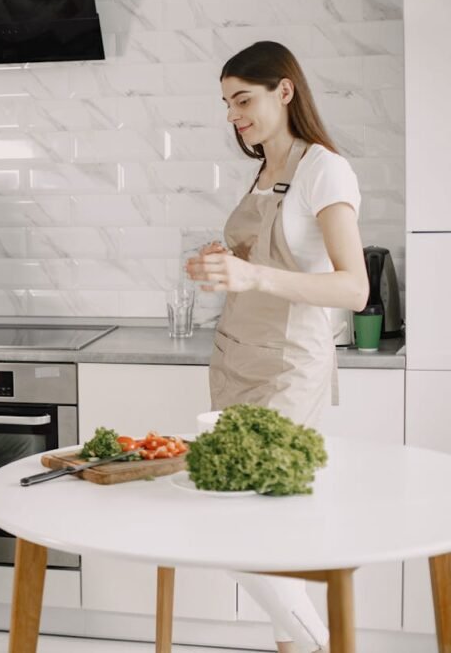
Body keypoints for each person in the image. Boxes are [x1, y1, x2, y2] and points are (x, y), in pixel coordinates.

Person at [186, 41, 369, 653]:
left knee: (245, 528)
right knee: (269, 534)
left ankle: (324, 643)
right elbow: (254, 258)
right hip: (235, 361)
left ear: (283, 91)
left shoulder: (325, 169)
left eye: (244, 99)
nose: (233, 115)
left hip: (290, 369)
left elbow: (353, 288)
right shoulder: (265, 169)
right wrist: (219, 263)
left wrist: (253, 275)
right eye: (227, 103)